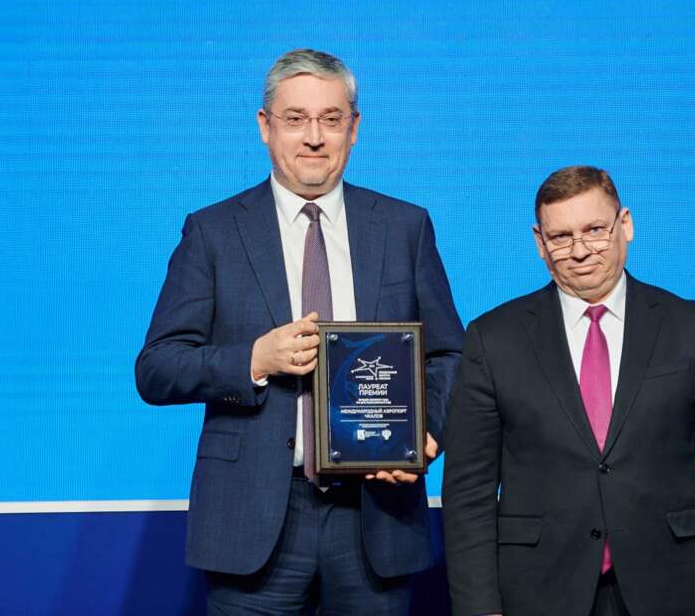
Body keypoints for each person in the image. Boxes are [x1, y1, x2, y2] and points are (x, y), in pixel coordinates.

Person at [136, 48, 464, 614]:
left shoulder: (405, 227)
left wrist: (425, 432)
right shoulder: (213, 232)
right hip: (255, 519)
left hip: (376, 516)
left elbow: (448, 354)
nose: (314, 137)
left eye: (330, 119)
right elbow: (157, 367)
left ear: (353, 129)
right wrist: (254, 360)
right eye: (295, 119)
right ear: (265, 126)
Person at [442, 166, 695, 616]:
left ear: (625, 224)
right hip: (540, 593)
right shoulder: (493, 339)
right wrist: (480, 609)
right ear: (539, 243)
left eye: (595, 230)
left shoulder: (693, 329)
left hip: (674, 588)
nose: (579, 251)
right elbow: (468, 493)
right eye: (561, 237)